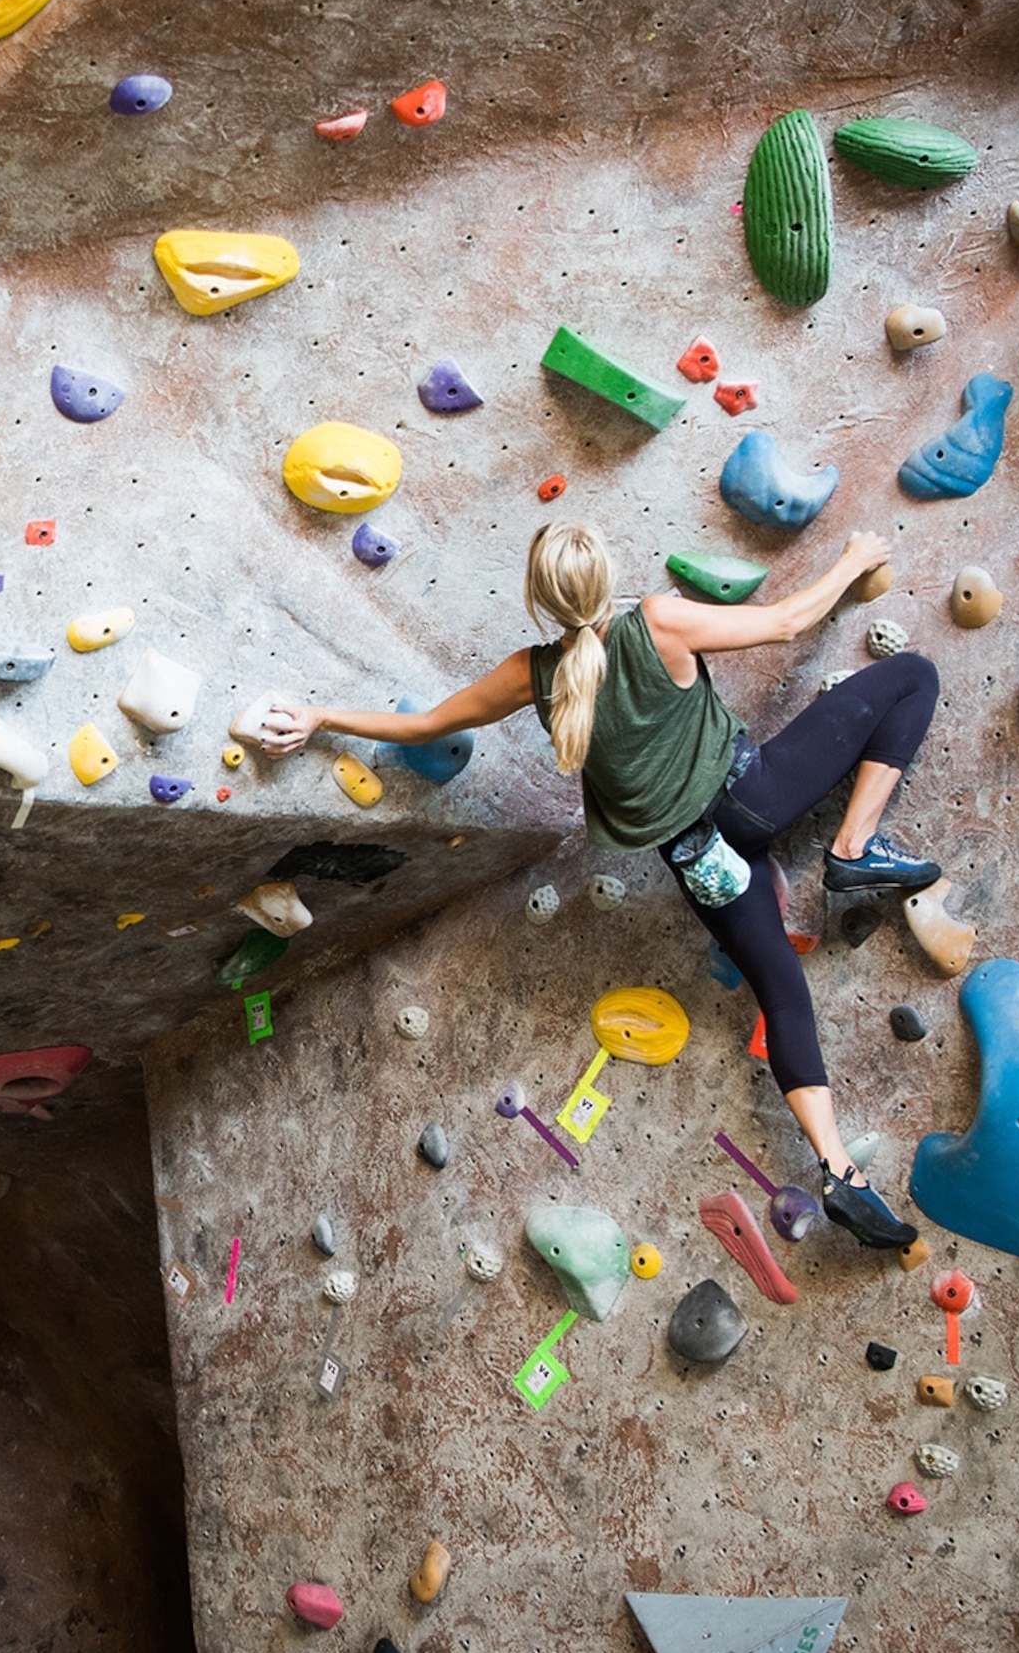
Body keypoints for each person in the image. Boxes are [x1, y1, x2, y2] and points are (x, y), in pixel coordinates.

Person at [258, 520, 941, 1248]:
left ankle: (838, 1168)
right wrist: (853, 560)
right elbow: (785, 621)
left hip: (698, 857)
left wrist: (321, 714)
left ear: (540, 601)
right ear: (608, 577)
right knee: (914, 676)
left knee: (782, 993)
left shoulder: (534, 674)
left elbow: (428, 723)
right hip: (754, 793)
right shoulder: (658, 620)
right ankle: (852, 846)